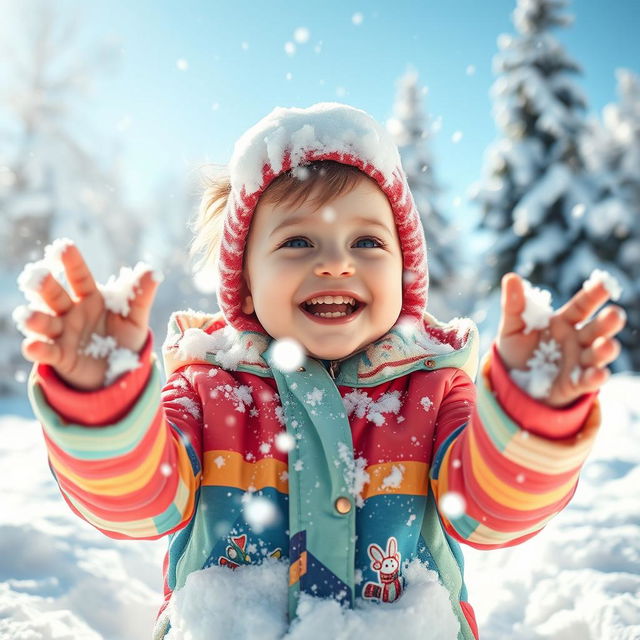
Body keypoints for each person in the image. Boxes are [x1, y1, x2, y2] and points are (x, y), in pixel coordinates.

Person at [17, 103, 626, 640]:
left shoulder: (435, 392)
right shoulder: (209, 391)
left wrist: (530, 413)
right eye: (298, 243)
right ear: (247, 289)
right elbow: (136, 504)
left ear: (406, 278)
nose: (336, 263)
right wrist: (99, 402)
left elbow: (489, 515)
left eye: (367, 243)